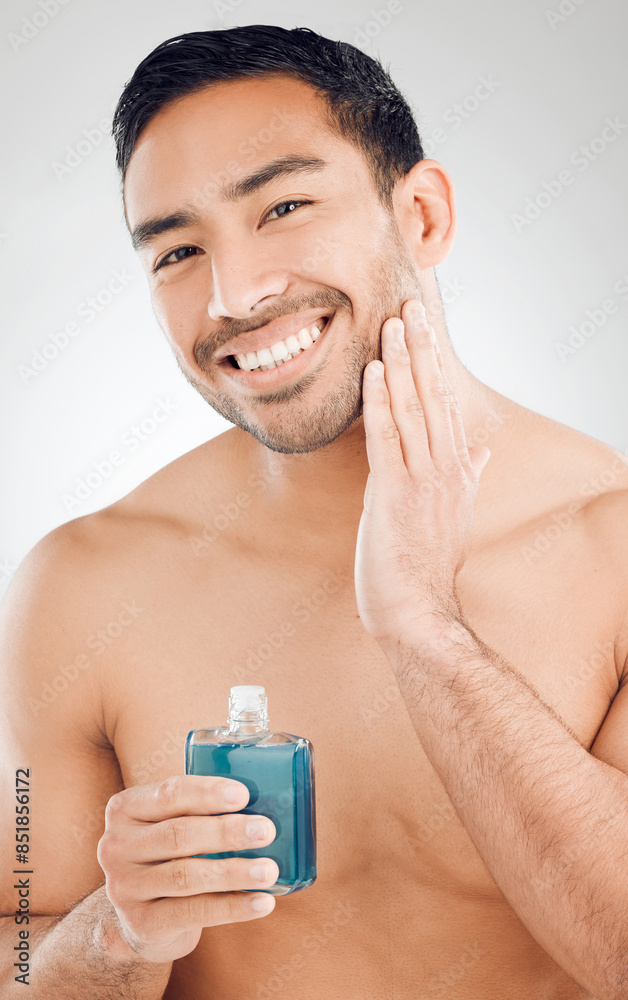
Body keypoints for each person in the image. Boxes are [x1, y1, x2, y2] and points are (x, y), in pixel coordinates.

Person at [2, 23, 628, 1000]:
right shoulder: (81, 586)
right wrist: (115, 935)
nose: (234, 293)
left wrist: (422, 627)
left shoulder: (611, 549)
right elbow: (18, 938)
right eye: (175, 250)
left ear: (419, 214)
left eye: (283, 204)